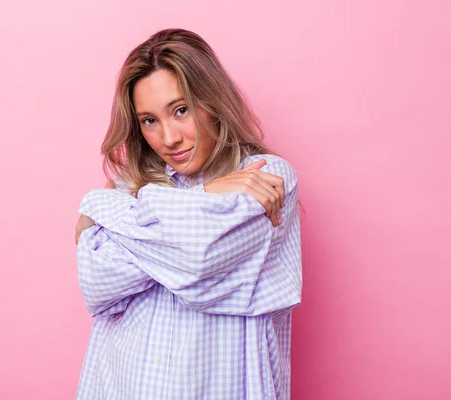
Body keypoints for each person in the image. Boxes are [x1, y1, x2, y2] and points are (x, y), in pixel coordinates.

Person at [74, 28, 302, 400]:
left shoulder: (267, 177)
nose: (169, 138)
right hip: (122, 384)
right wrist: (210, 193)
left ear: (212, 101)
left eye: (180, 111)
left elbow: (196, 258)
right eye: (149, 120)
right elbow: (97, 283)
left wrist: (107, 218)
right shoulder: (129, 185)